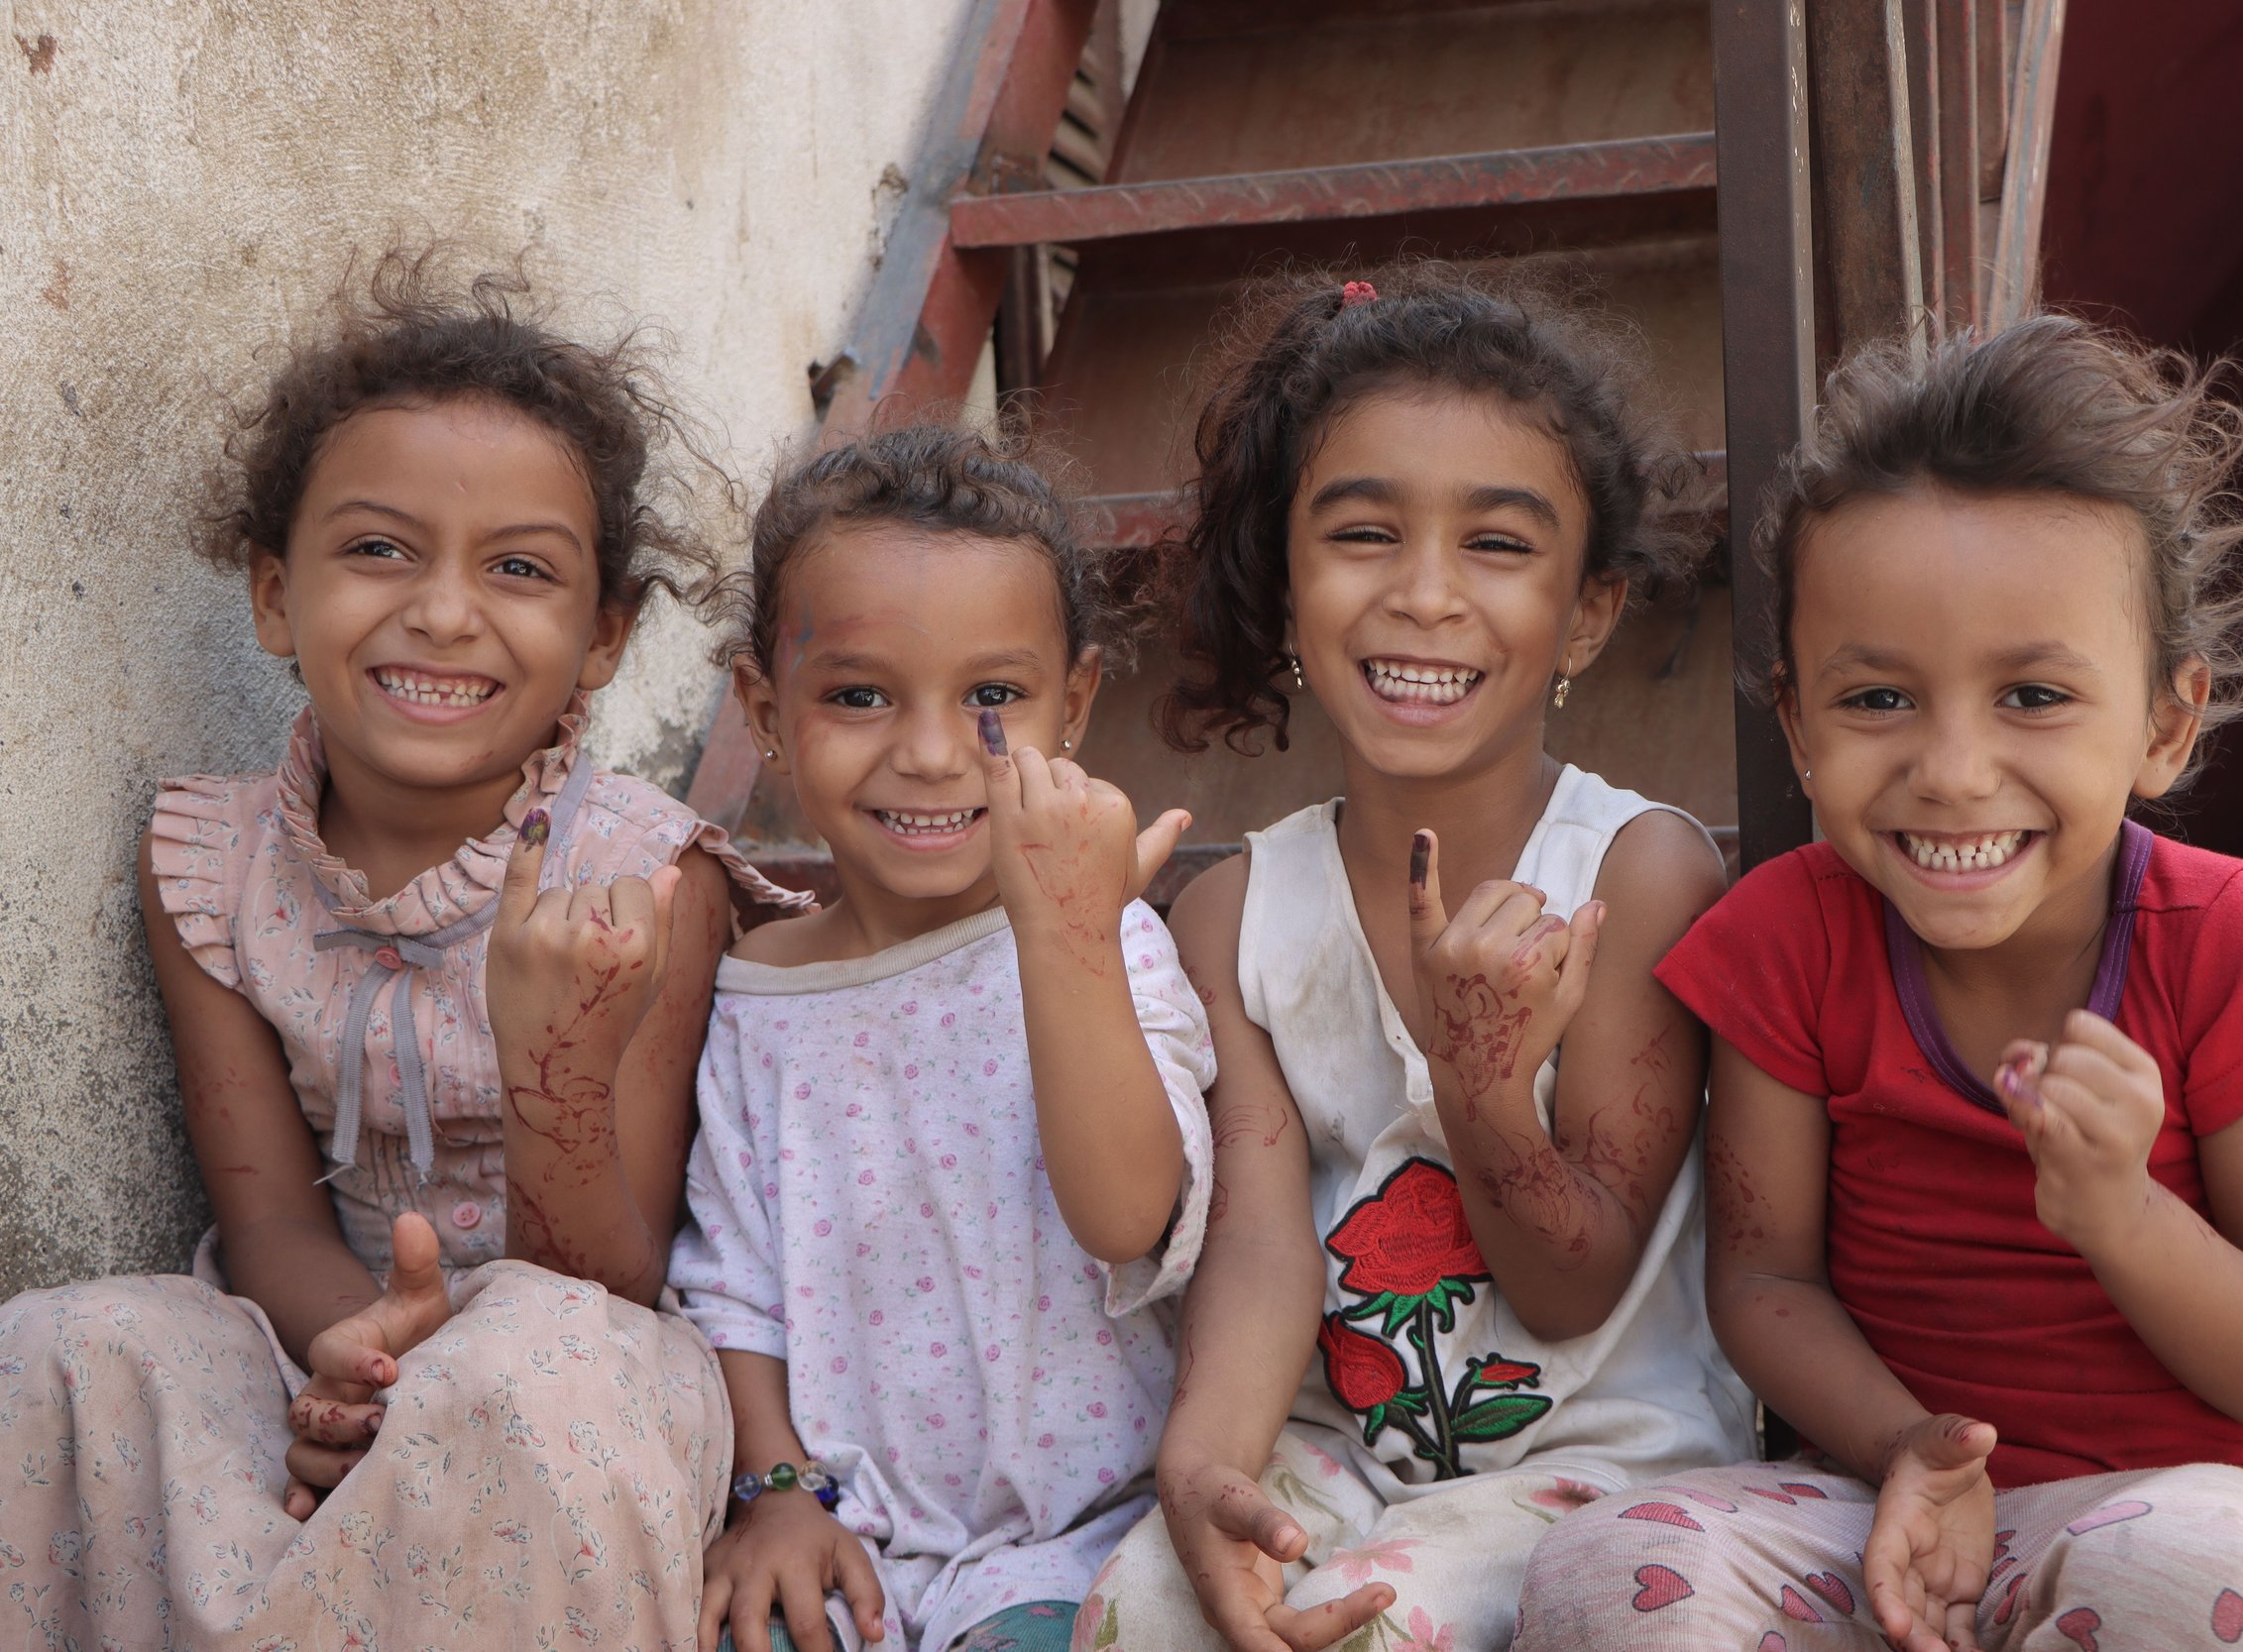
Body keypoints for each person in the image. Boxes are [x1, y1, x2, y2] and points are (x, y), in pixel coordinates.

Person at [1513, 315, 2243, 1652]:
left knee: (2183, 1589)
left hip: (2174, 1510)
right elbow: (1764, 1279)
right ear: (1799, 723)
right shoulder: (1789, 939)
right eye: (1878, 702)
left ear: (2164, 723)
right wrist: (1911, 1448)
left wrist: (2121, 1212)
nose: (1953, 769)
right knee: (1608, 1569)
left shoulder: (2240, 948)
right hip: (1880, 1493)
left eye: (2034, 695)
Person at [0, 254, 805, 1647]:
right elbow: (266, 1224)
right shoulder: (209, 863)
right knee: (71, 1344)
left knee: (520, 1369)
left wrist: (554, 1054)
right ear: (271, 592)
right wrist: (357, 1363)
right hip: (318, 1332)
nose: (441, 609)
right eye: (379, 548)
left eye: (520, 568)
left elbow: (619, 1273)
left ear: (603, 635)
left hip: (587, 1360)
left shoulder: (646, 877)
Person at [1069, 268, 1755, 1652]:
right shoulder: (1240, 910)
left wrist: (1484, 1078)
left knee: (1380, 1627)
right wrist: (1202, 1461)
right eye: (1365, 533)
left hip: (1608, 1468)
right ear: (1286, 579)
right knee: (1141, 1604)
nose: (1425, 594)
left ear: (1588, 612)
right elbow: (1261, 1244)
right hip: (1338, 1453)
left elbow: (1574, 1285)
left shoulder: (1638, 878)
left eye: (1498, 546)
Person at [669, 424, 1216, 1652]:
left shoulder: (1101, 938)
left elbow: (1132, 1218)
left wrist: (1066, 940)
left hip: (1085, 1543)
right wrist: (777, 1495)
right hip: (842, 1543)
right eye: (857, 694)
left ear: (1070, 704)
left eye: (990, 698)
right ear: (764, 708)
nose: (925, 752)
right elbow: (734, 1287)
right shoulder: (756, 991)